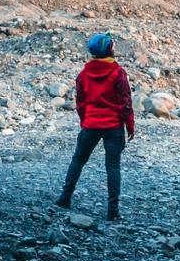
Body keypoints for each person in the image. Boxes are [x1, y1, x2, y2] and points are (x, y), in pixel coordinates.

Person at [57, 31, 134, 220]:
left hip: (91, 123)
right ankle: (112, 211)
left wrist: (84, 120)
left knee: (78, 160)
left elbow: (80, 101)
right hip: (113, 126)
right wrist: (129, 125)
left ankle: (65, 198)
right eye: (113, 45)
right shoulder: (118, 72)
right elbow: (125, 102)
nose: (115, 47)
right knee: (113, 167)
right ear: (108, 49)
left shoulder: (84, 74)